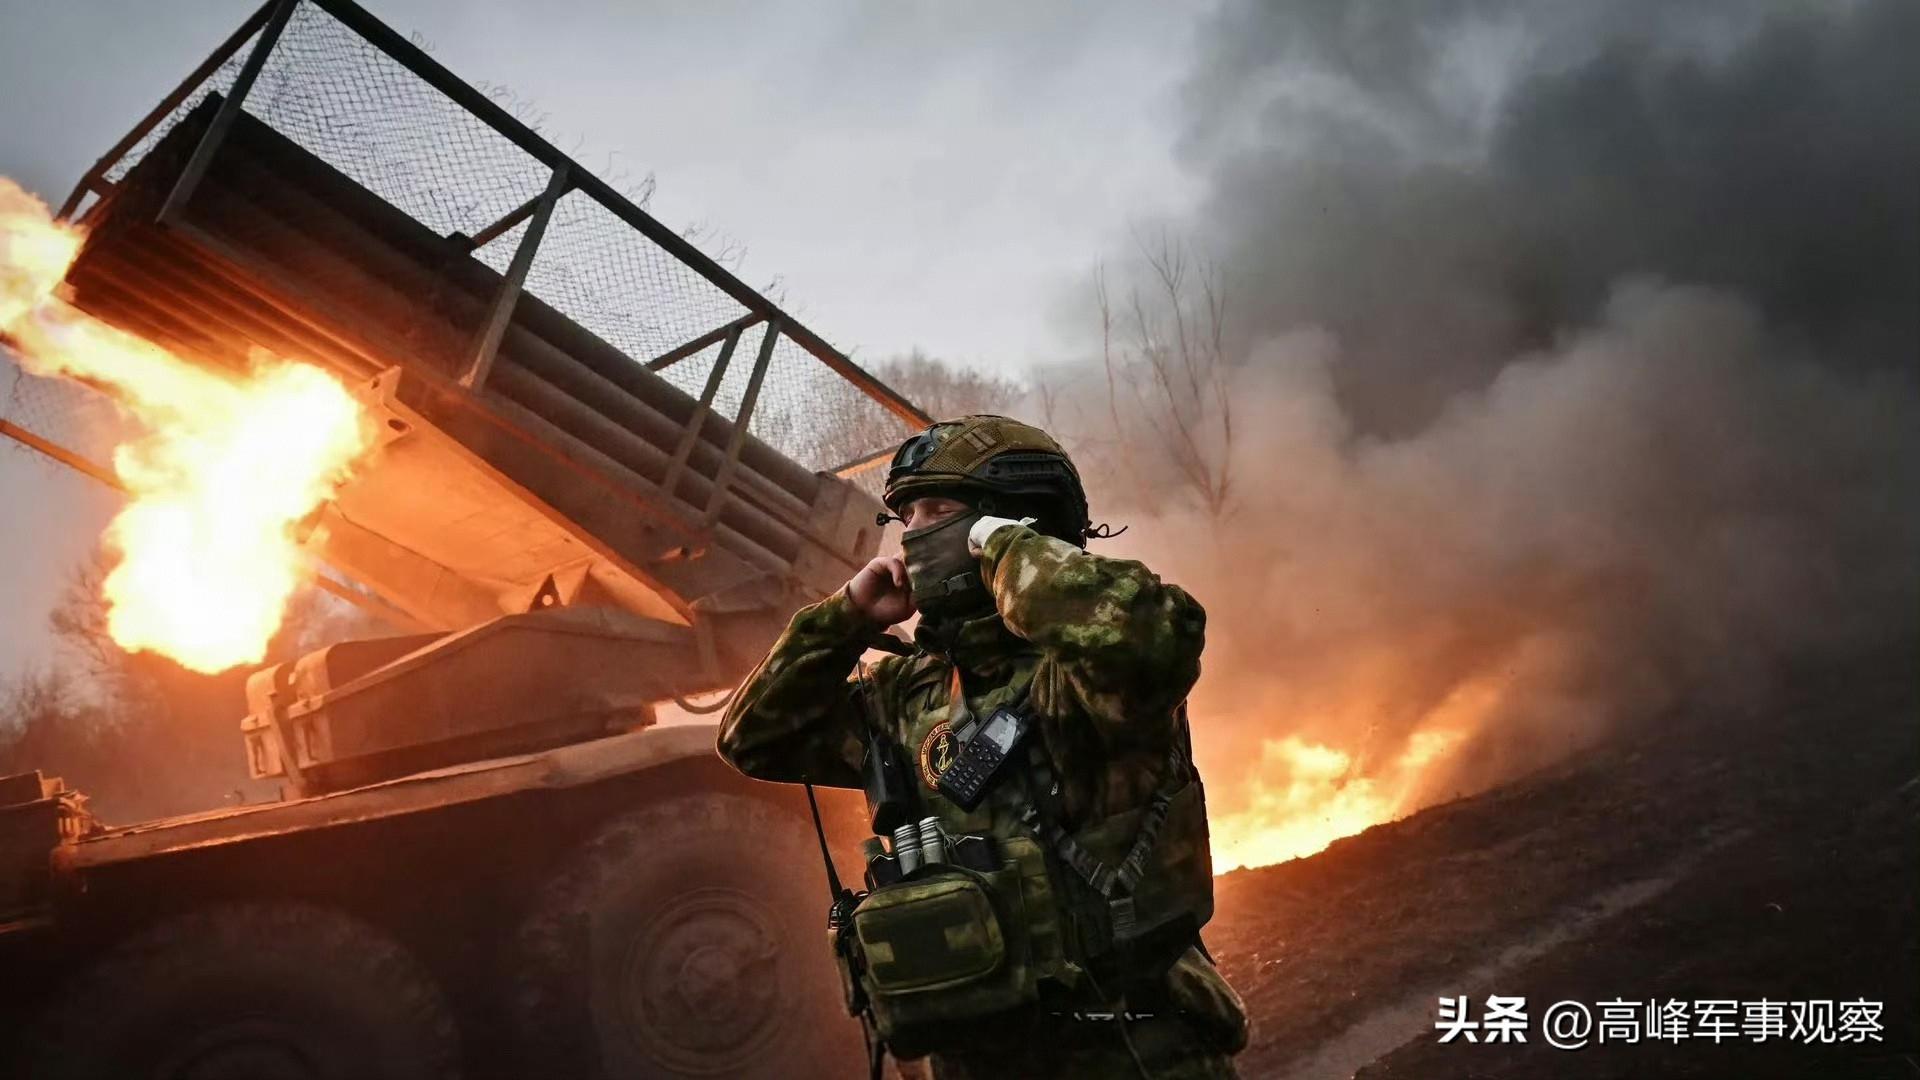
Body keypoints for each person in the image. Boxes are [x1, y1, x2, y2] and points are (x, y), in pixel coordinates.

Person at [718, 414, 1247, 1078]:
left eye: (938, 511)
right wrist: (843, 618)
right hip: (975, 1061)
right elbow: (751, 737)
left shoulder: (1080, 678)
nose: (912, 534)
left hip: (1135, 1051)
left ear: (1016, 523)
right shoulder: (907, 693)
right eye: (905, 516)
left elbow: (1146, 638)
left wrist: (1003, 546)